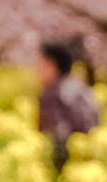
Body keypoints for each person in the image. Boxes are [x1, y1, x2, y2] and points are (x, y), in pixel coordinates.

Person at [36, 41, 100, 171]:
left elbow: (53, 135)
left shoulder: (52, 93)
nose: (37, 70)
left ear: (51, 66)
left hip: (64, 164)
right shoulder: (82, 88)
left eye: (41, 65)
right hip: (90, 160)